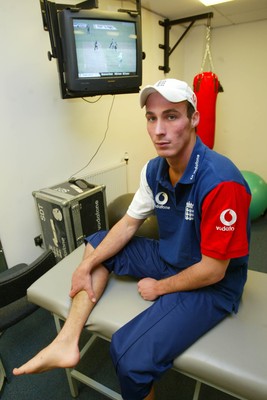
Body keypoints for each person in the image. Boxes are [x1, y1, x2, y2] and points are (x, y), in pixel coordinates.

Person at [13, 79, 251, 400]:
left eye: (171, 116)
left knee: (129, 358)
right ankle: (67, 341)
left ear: (194, 119)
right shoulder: (154, 170)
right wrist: (89, 265)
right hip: (171, 257)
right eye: (151, 118)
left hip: (212, 284)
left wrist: (160, 287)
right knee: (98, 242)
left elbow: (214, 271)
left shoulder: (222, 182)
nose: (158, 130)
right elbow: (126, 225)